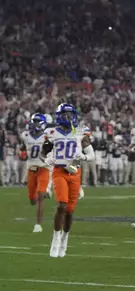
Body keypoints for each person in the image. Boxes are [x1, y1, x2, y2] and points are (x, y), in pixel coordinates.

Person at [41, 103, 95, 258]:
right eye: (65, 114)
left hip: (75, 173)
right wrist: (47, 161)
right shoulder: (51, 132)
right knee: (61, 205)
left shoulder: (79, 132)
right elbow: (42, 154)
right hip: (59, 172)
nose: (69, 117)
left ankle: (65, 239)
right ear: (59, 116)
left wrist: (83, 157)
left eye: (71, 114)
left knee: (70, 212)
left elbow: (91, 155)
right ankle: (55, 239)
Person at [20, 113, 49, 232]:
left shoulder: (47, 137)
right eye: (34, 121)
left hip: (43, 168)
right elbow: (22, 149)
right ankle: (42, 192)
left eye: (37, 121)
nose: (35, 123)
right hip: (31, 169)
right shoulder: (25, 135)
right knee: (32, 200)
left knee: (41, 195)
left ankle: (38, 225)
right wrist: (21, 154)